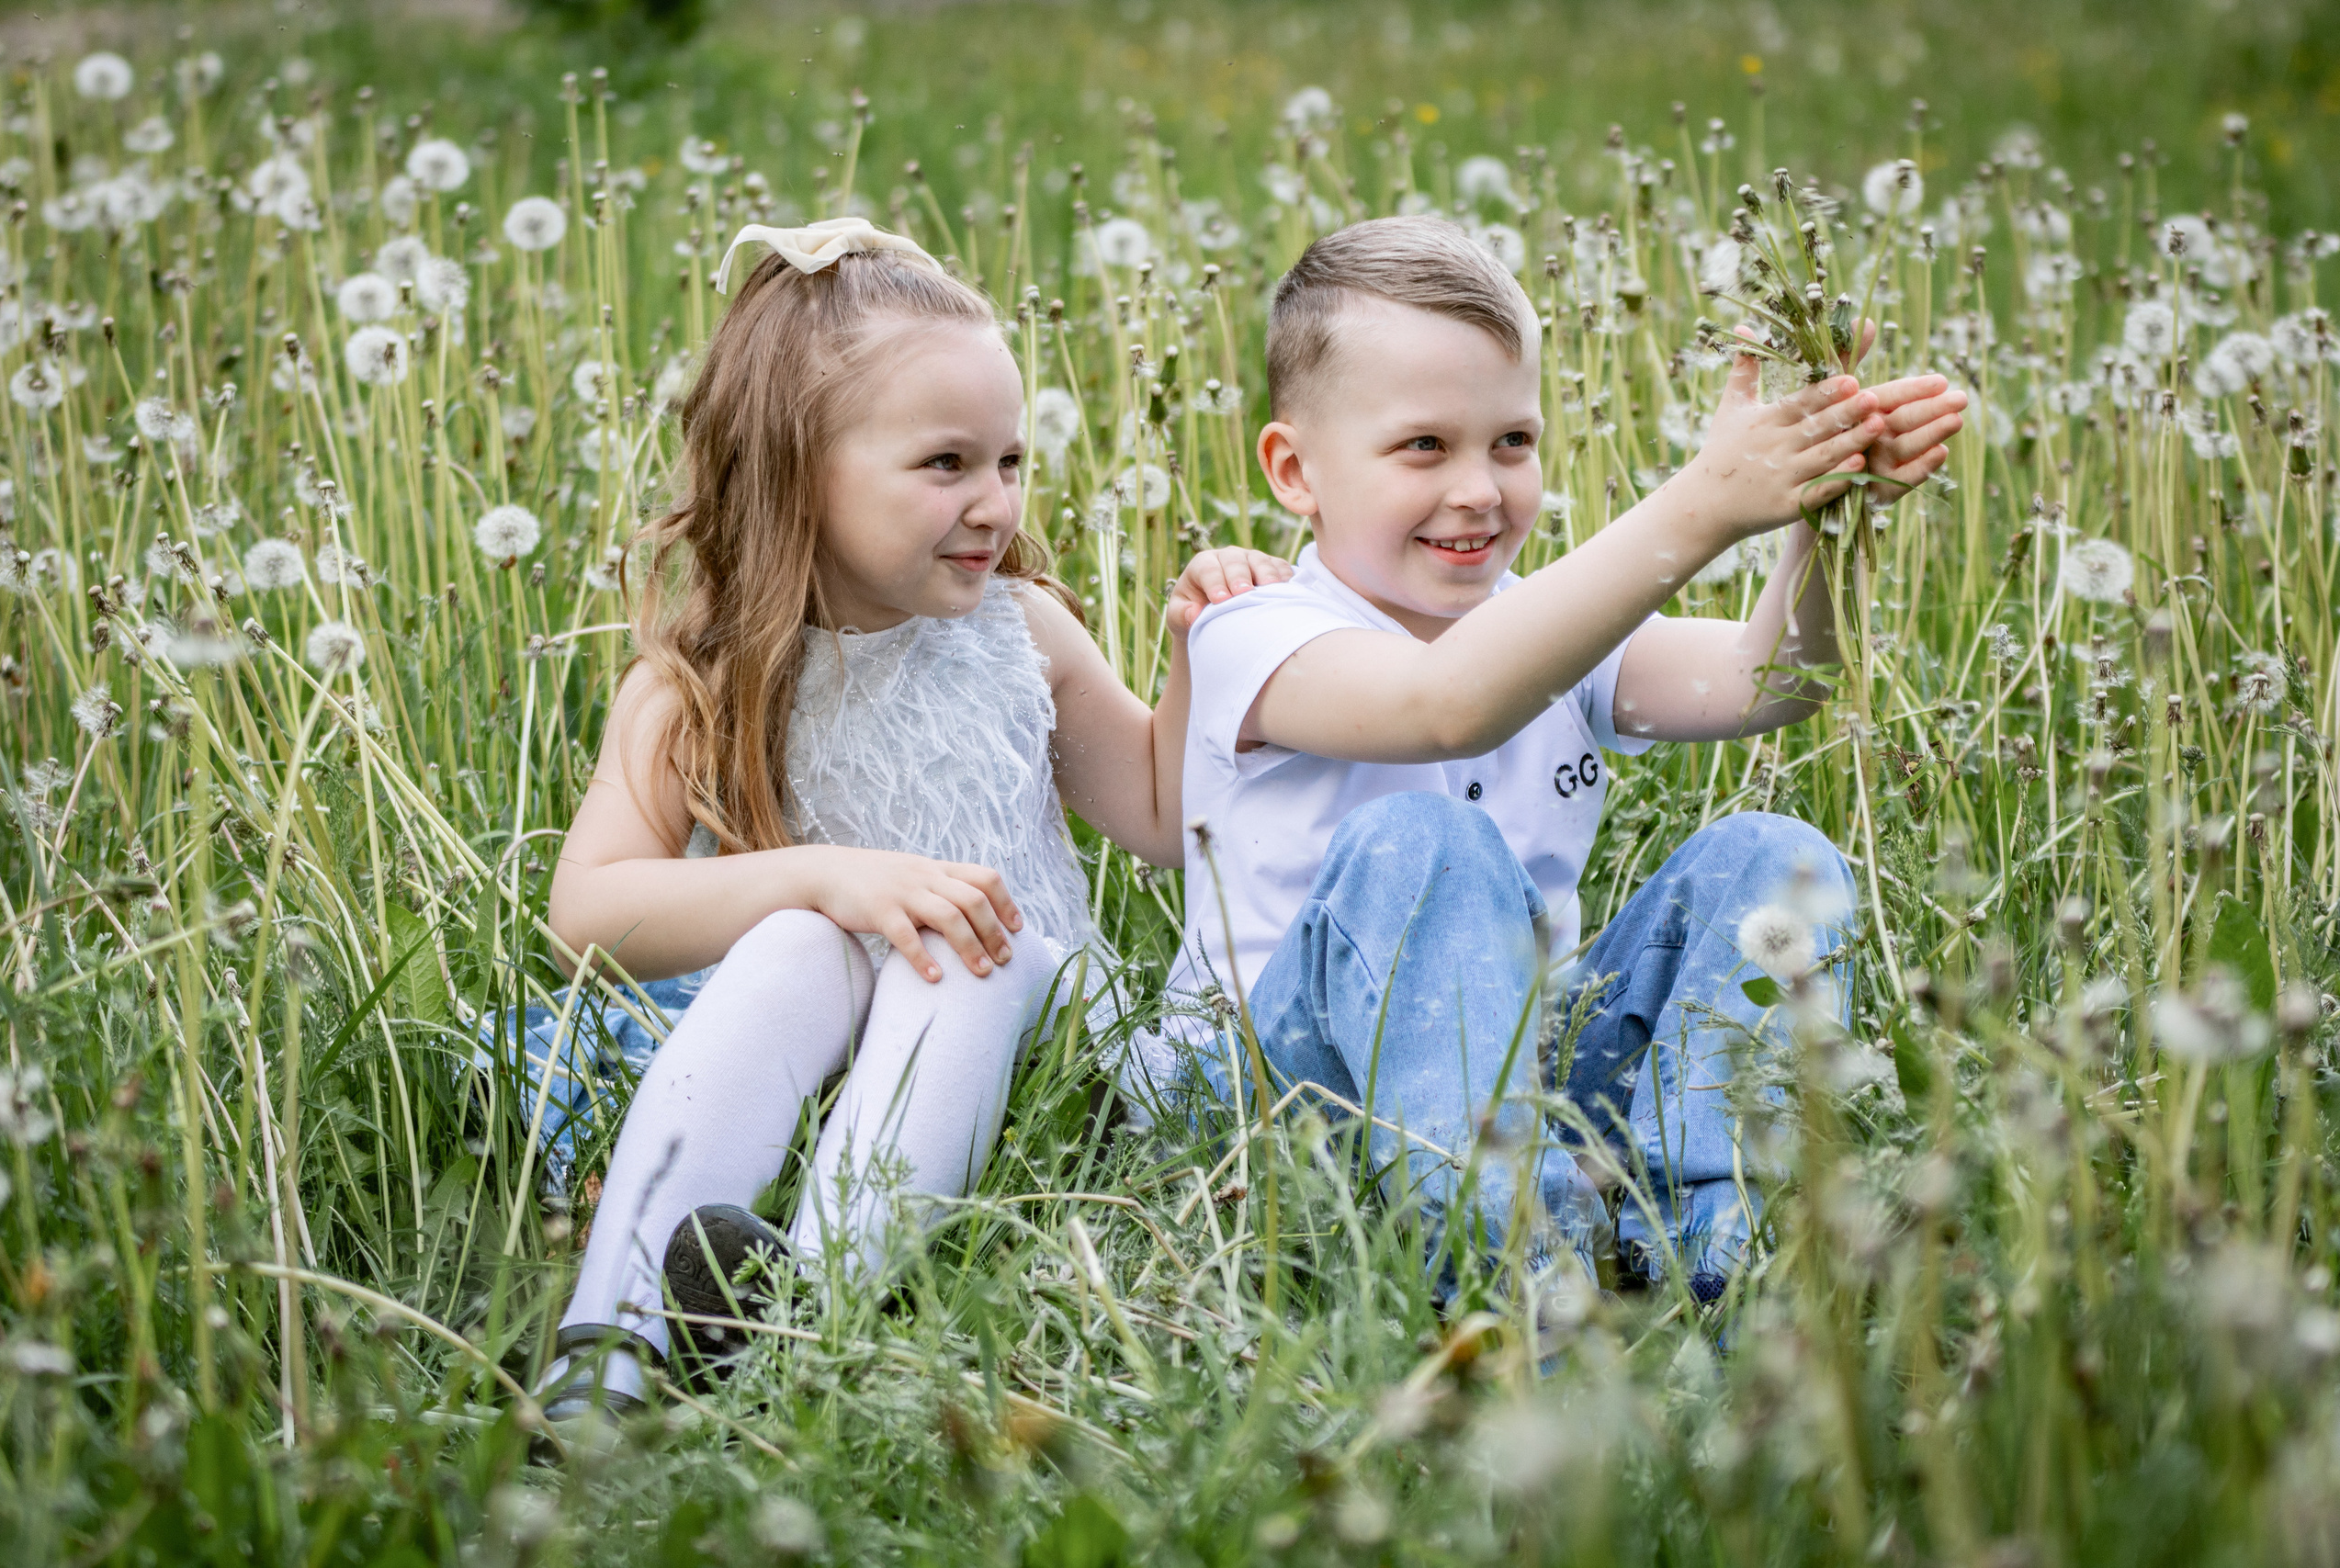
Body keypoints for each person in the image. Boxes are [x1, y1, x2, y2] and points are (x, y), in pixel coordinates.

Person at [523, 217, 1289, 1421]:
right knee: (790, 935)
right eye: (946, 465)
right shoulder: (696, 680)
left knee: (954, 948)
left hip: (1034, 1035)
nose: (994, 502)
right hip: (822, 1058)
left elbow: (1156, 812)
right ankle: (607, 1348)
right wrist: (822, 877)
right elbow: (590, 915)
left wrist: (1200, 652)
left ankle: (802, 1331)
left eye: (1011, 462)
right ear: (794, 471)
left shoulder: (1019, 632)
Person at [1139, 215, 1965, 1302]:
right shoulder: (1255, 631)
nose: (1479, 489)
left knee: (1778, 857)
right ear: (1295, 472)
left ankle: (1722, 1239)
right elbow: (1447, 707)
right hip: (1272, 1100)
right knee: (1424, 843)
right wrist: (1702, 506)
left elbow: (1774, 683)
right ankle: (1512, 1276)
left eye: (1511, 442)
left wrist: (1822, 510)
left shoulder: (1544, 629)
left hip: (1516, 1073)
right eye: (1423, 447)